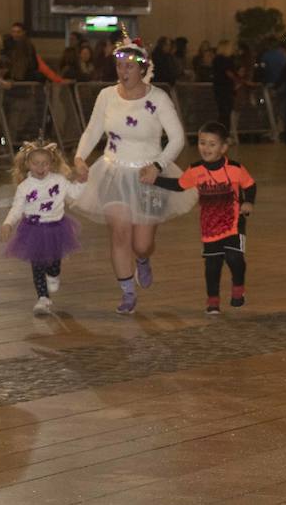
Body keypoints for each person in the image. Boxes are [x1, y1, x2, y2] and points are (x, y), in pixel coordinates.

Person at [72, 39, 196, 313]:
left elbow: (177, 139)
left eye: (129, 66)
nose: (123, 71)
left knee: (142, 244)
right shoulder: (106, 96)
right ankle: (127, 292)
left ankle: (142, 260)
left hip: (147, 177)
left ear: (142, 68)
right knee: (119, 234)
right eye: (119, 66)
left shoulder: (158, 98)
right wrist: (80, 158)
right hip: (113, 172)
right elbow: (92, 130)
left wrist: (158, 166)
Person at [140, 121, 256, 313]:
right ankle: (212, 300)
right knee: (212, 265)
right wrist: (155, 180)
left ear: (224, 147)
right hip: (210, 228)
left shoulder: (236, 168)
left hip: (234, 224)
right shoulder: (195, 170)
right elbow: (179, 185)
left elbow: (250, 186)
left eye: (212, 144)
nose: (206, 148)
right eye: (202, 143)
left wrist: (248, 202)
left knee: (235, 259)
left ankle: (238, 288)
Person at [0, 141, 84, 315]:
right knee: (37, 265)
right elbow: (17, 208)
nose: (40, 167)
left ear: (51, 164)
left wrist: (82, 181)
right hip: (33, 230)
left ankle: (54, 274)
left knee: (53, 262)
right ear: (28, 164)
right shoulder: (24, 187)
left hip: (56, 228)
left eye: (44, 163)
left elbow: (75, 194)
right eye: (36, 163)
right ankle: (43, 299)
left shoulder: (59, 181)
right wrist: (7, 223)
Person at [210, 39, 238, 131]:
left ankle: (223, 133)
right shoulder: (224, 60)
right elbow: (228, 73)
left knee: (224, 113)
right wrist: (236, 80)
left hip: (221, 88)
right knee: (225, 112)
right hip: (224, 89)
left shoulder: (217, 59)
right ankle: (224, 133)